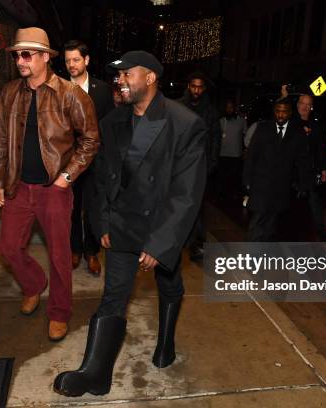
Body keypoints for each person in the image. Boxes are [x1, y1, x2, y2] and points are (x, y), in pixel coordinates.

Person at [53, 51, 206, 397]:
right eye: (118, 76)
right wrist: (101, 221)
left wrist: (159, 244)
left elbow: (187, 194)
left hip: (160, 226)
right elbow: (102, 181)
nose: (120, 81)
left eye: (127, 75)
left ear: (150, 78)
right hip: (121, 224)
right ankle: (95, 373)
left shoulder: (185, 123)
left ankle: (165, 341)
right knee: (113, 296)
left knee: (169, 282)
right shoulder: (112, 123)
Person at [0, 28, 99, 341]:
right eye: (16, 54)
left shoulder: (69, 93)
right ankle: (34, 285)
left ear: (44, 57)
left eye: (26, 54)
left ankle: (59, 312)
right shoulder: (10, 92)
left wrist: (67, 176)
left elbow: (91, 139)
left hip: (55, 188)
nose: (20, 61)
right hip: (18, 187)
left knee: (60, 255)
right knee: (9, 248)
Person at [64, 39, 114, 276]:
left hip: (96, 161)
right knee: (71, 207)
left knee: (94, 207)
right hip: (69, 161)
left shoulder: (102, 90)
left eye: (76, 60)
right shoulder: (59, 87)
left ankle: (91, 252)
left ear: (86, 60)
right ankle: (74, 249)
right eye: (67, 61)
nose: (71, 65)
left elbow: (109, 126)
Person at [242, 98, 311, 241]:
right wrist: (247, 180)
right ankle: (250, 255)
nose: (280, 115)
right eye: (278, 111)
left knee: (271, 223)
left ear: (290, 113)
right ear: (274, 112)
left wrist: (303, 184)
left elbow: (302, 160)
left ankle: (263, 254)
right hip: (261, 184)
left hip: (281, 187)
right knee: (257, 220)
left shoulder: (297, 133)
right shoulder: (263, 128)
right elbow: (251, 155)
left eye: (284, 112)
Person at [177, 72, 220, 261]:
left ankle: (197, 244)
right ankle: (178, 240)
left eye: (199, 87)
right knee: (178, 204)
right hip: (180, 165)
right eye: (193, 86)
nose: (196, 90)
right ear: (188, 86)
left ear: (203, 89)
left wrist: (211, 163)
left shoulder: (210, 110)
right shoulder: (178, 106)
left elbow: (215, 138)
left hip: (201, 165)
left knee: (199, 206)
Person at [295, 94, 326, 241]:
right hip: (291, 171)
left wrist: (323, 169)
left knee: (314, 199)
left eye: (308, 104)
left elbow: (319, 149)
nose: (305, 107)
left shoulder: (314, 126)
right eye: (303, 103)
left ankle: (321, 232)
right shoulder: (290, 123)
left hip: (308, 170)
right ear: (297, 105)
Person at [217, 99, 247, 198]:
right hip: (223, 154)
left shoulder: (241, 121)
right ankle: (221, 194)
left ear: (234, 109)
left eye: (231, 107)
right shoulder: (221, 121)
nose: (229, 109)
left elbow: (245, 137)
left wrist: (244, 150)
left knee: (235, 177)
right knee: (222, 177)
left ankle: (234, 194)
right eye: (227, 107)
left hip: (236, 154)